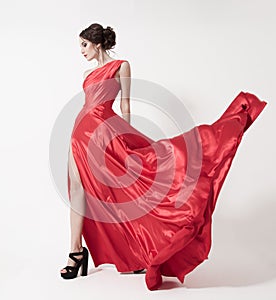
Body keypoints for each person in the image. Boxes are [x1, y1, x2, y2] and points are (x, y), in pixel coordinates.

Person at [60, 23, 267, 290]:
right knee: (77, 190)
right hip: (80, 130)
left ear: (96, 43)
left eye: (84, 45)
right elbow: (88, 104)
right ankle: (76, 252)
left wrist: (124, 135)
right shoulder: (88, 73)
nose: (81, 51)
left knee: (123, 191)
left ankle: (134, 250)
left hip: (105, 133)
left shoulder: (121, 65)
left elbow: (124, 104)